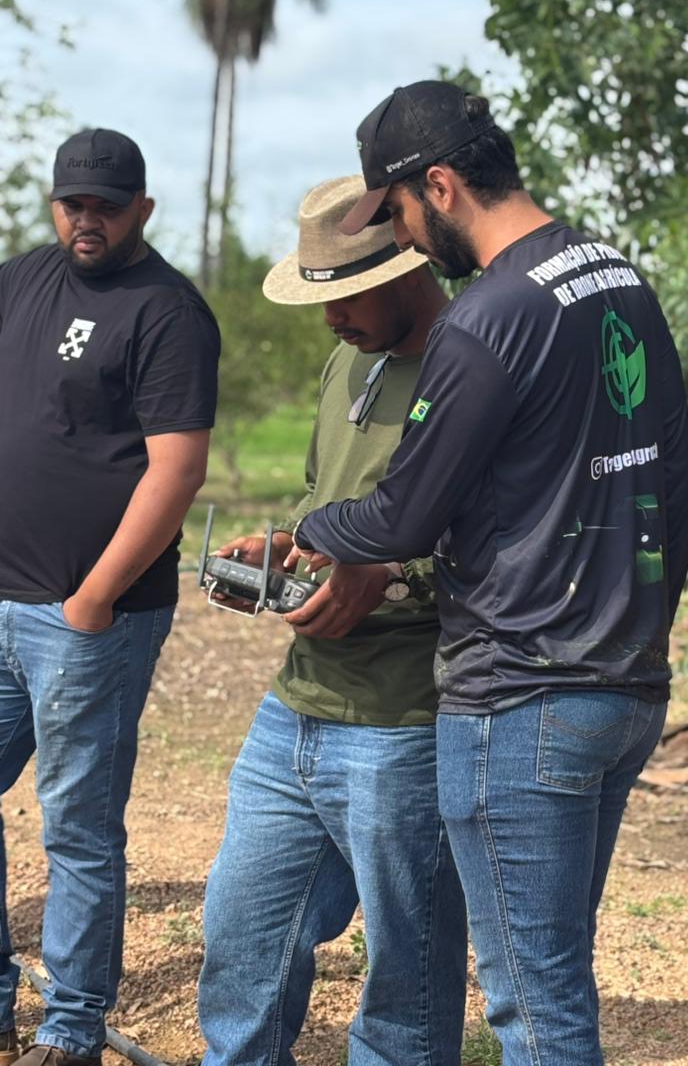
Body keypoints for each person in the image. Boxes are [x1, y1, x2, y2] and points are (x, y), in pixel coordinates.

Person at [290, 83, 688, 1065]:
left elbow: (403, 515)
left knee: (535, 1007)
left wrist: (311, 521)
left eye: (397, 214)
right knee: (557, 970)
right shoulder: (611, 275)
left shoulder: (490, 315)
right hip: (624, 681)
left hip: (524, 696)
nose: (405, 239)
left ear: (439, 183)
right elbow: (668, 469)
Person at [197, 175, 466, 1066]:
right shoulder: (347, 356)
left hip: (405, 720)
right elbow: (328, 501)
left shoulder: (478, 363)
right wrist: (285, 546)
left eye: (347, 295)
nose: (331, 318)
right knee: (240, 932)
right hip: (297, 706)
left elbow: (504, 539)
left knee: (405, 974)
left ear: (410, 264)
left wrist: (387, 575)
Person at [0, 129, 220, 1066]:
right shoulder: (18, 282)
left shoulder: (167, 311)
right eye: (72, 203)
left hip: (90, 616)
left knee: (78, 829)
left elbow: (176, 471)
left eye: (107, 204)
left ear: (142, 209)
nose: (86, 219)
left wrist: (91, 599)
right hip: (1, 597)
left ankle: (72, 1029)